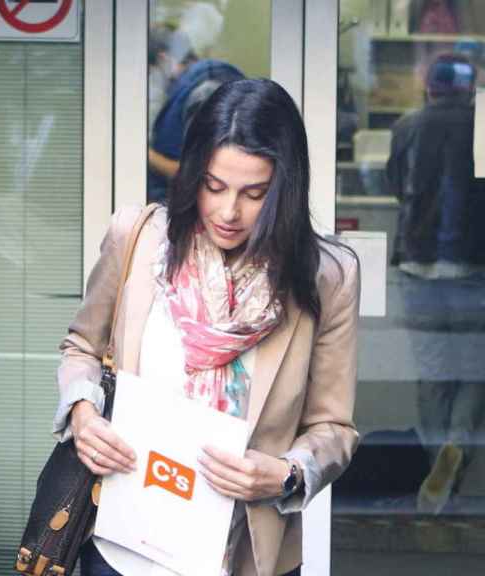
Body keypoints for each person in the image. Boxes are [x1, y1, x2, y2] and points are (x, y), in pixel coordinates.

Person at [54, 79, 360, 576]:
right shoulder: (138, 239)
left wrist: (286, 474)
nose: (228, 211)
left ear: (285, 188)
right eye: (213, 186)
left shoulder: (325, 276)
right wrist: (85, 415)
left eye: (254, 193)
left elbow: (333, 427)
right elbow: (81, 347)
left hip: (244, 554)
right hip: (124, 542)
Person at [386, 52, 485, 513]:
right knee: (471, 371)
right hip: (471, 265)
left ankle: (433, 460)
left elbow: (394, 185)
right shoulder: (482, 125)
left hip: (417, 264)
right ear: (470, 88)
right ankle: (457, 449)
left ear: (429, 85)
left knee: (431, 373)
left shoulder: (406, 127)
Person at [147, 34, 244, 203]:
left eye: (148, 73)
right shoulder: (191, 87)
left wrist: (143, 153)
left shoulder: (205, 91)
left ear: (163, 60)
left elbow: (201, 172)